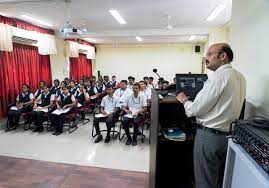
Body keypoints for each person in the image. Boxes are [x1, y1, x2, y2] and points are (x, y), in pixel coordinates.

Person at [176, 43, 246, 188]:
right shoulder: (240, 77)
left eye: (209, 54)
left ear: (222, 56)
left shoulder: (217, 78)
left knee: (205, 181)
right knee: (220, 179)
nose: (205, 58)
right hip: (229, 137)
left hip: (210, 138)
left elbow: (194, 110)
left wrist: (184, 100)